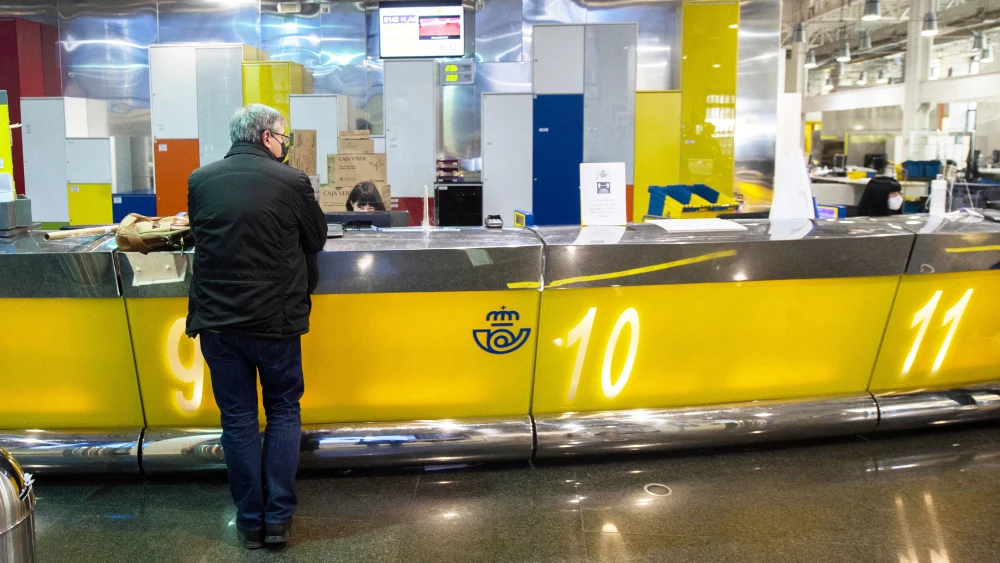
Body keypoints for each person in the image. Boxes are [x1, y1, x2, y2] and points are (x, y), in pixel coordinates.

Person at [186, 104, 327, 550]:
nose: (284, 146)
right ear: (267, 137)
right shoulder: (292, 182)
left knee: (239, 420)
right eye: (283, 139)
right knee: (284, 410)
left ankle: (249, 522)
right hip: (275, 321)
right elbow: (317, 238)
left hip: (218, 324)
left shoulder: (199, 180)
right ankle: (278, 521)